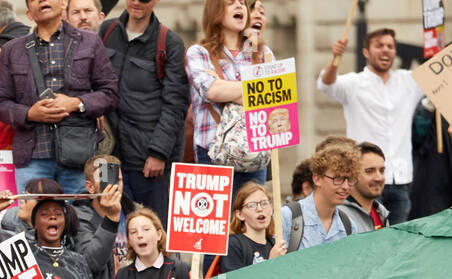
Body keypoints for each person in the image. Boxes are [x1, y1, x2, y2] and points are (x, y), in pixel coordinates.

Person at [0, 0, 119, 195]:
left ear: (62, 4)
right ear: (28, 14)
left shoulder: (90, 42)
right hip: (32, 156)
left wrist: (77, 103)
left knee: (80, 219)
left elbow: (110, 93)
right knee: (32, 219)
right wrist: (28, 113)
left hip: (80, 153)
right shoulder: (11, 50)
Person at [318, 29, 425, 226]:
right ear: (366, 52)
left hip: (401, 180)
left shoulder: (408, 80)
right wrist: (335, 59)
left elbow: (441, 75)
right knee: (369, 239)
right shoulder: (354, 83)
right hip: (363, 182)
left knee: (398, 243)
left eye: (390, 46)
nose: (385, 50)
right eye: (379, 45)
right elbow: (326, 85)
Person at [98, 0, 189, 223]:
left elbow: (176, 104)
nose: (137, 2)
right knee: (111, 225)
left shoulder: (169, 42)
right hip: (109, 156)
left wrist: (158, 153)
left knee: (153, 229)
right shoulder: (106, 31)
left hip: (149, 162)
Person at [186, 0, 272, 192]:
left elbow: (274, 99)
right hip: (212, 153)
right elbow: (212, 91)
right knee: (216, 221)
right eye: (231, 2)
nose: (240, 6)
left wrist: (224, 87)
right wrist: (255, 90)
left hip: (254, 151)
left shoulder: (262, 52)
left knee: (250, 219)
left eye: (242, 3)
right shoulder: (199, 52)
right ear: (215, 11)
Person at [279, 142, 361, 253]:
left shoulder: (349, 226)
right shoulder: (288, 216)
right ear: (317, 179)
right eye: (338, 178)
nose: (346, 186)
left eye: (350, 179)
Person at [339, 142, 390, 232]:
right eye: (369, 171)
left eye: (381, 171)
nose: (378, 178)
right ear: (351, 174)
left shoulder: (381, 213)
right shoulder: (338, 216)